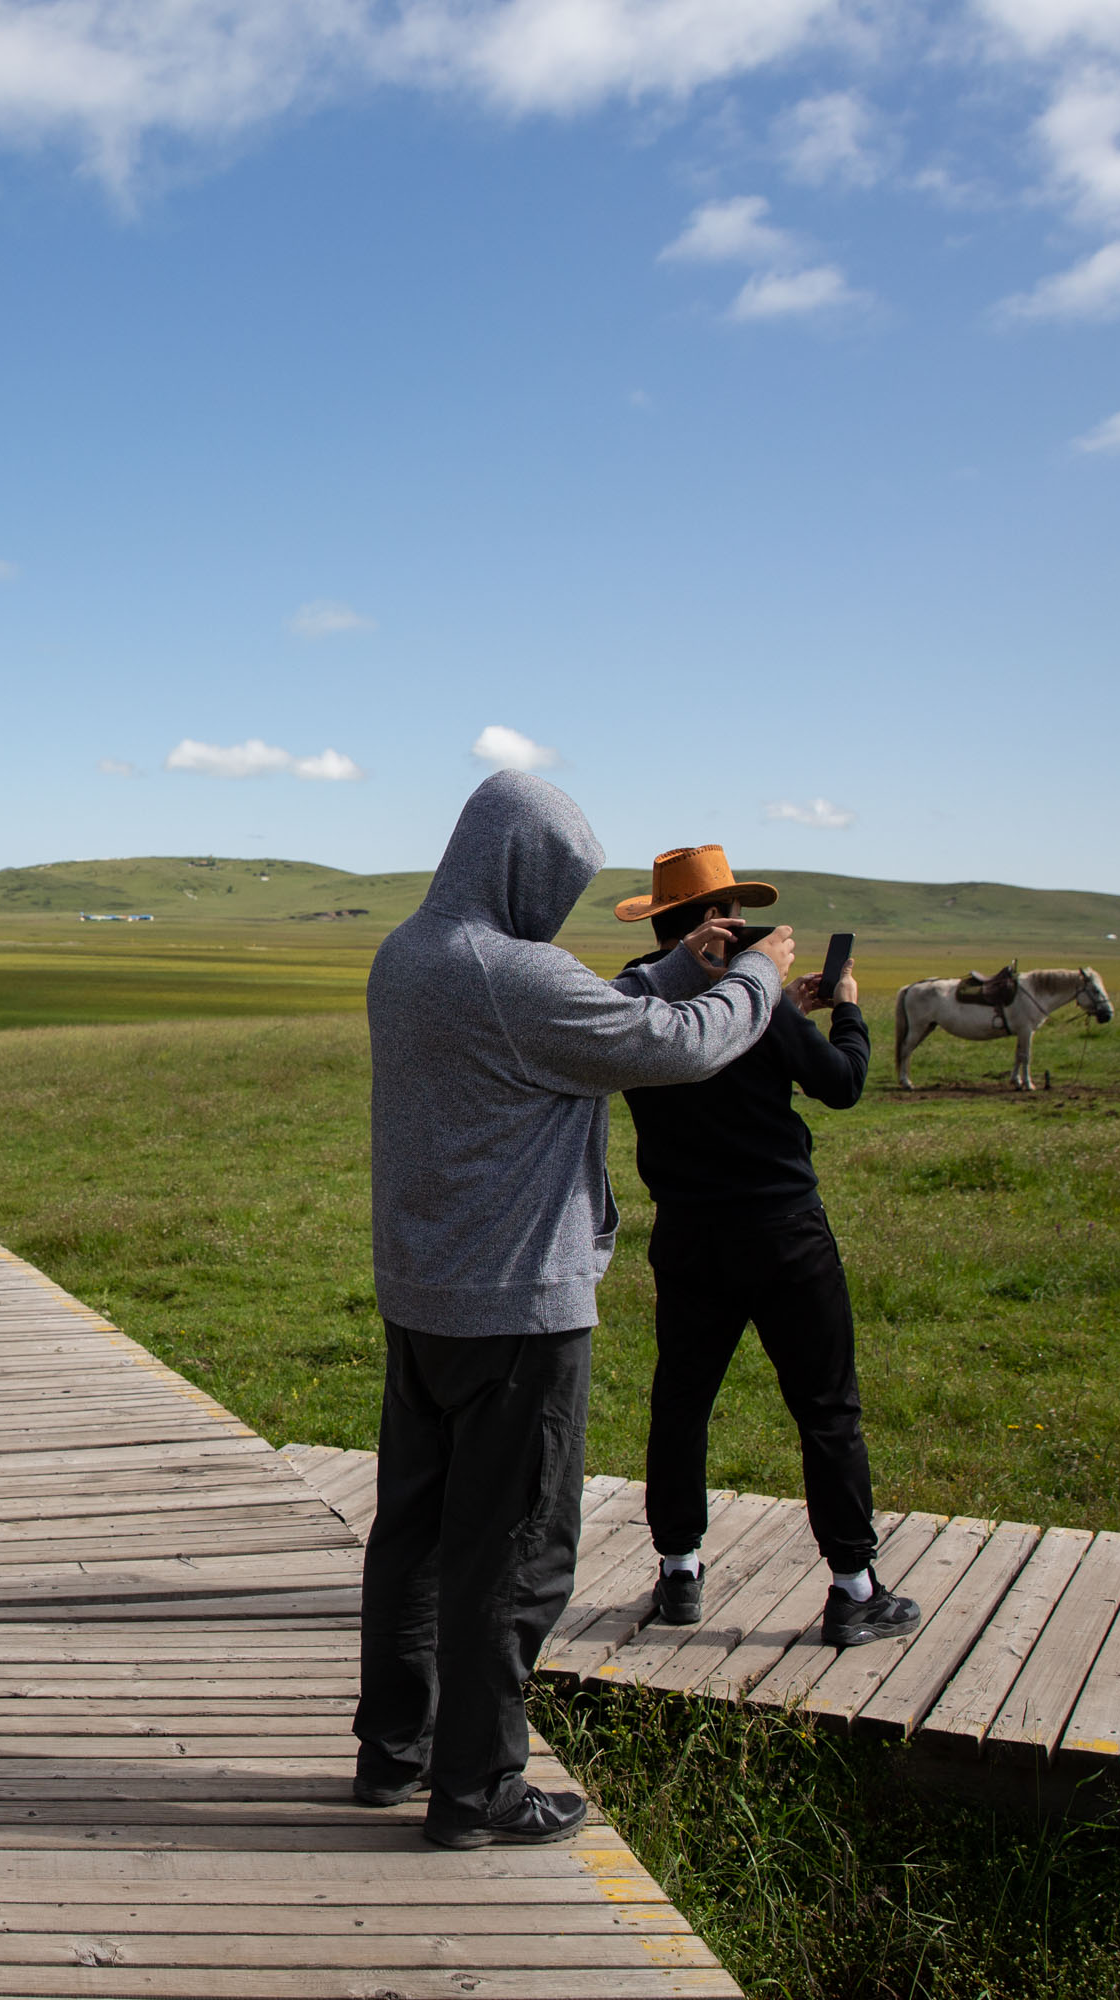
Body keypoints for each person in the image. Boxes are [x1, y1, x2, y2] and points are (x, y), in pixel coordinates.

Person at [359, 771, 793, 1851]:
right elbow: (672, 1047)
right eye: (556, 882)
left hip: (424, 1301)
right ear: (521, 871)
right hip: (518, 1312)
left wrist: (661, 972)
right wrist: (756, 978)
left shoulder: (407, 956)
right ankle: (479, 1788)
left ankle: (393, 1751)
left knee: (413, 1540)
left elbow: (572, 1025)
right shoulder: (514, 974)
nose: (555, 906)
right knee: (513, 1555)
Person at [615, 847, 920, 1651]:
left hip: (687, 1234)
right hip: (783, 1232)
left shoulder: (640, 993)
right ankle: (854, 1587)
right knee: (825, 1409)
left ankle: (678, 1572)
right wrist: (844, 1008)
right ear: (720, 919)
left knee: (682, 1401)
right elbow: (842, 1082)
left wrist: (780, 1003)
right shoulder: (751, 1001)